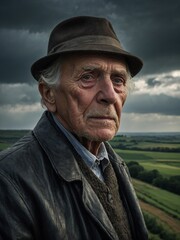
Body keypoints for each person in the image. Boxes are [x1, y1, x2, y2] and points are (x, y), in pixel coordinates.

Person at [0, 16, 148, 240]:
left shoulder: (113, 164)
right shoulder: (9, 179)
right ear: (49, 94)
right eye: (88, 77)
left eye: (118, 80)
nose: (109, 95)